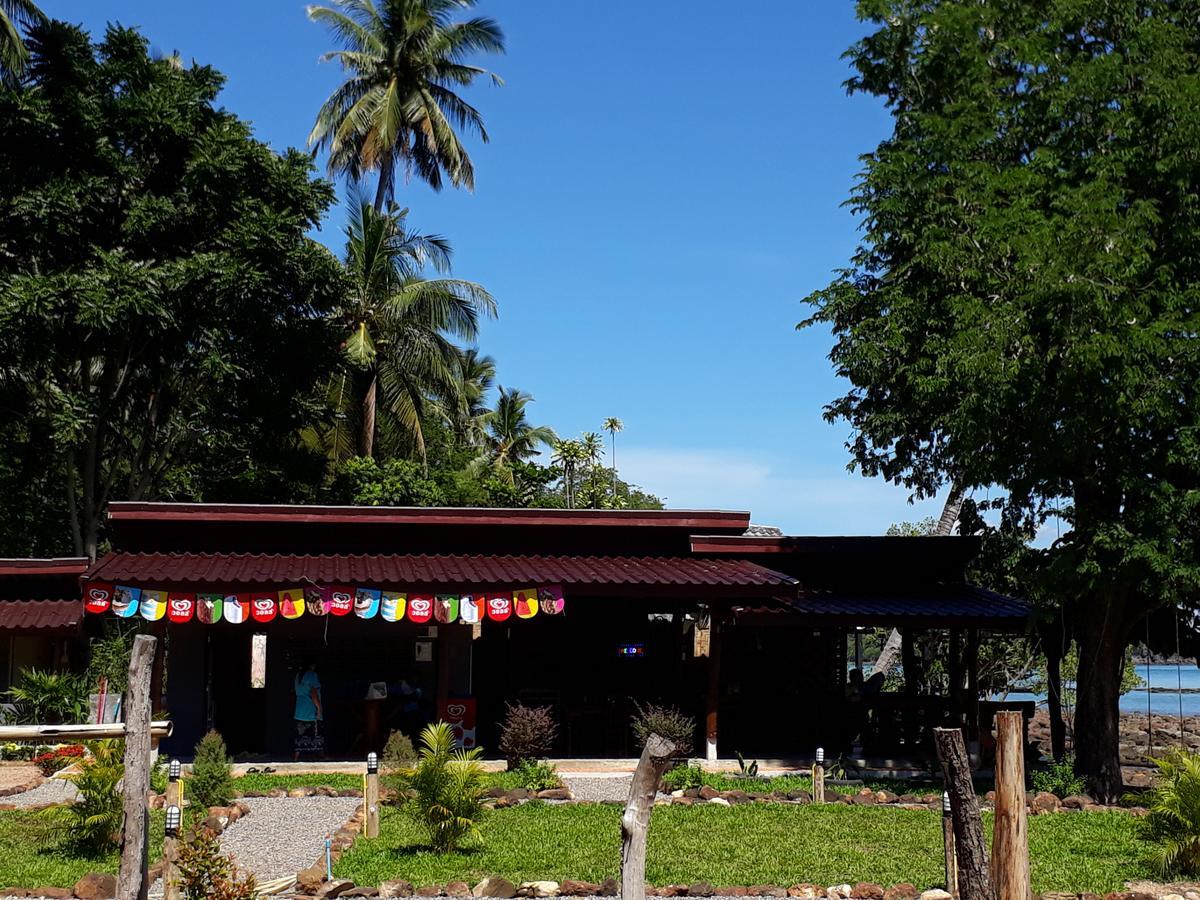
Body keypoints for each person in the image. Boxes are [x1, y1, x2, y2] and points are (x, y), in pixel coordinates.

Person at [294, 659, 324, 761]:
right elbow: (314, 693)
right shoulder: (312, 675)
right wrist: (319, 708)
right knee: (316, 735)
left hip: (299, 711)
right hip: (310, 711)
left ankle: (296, 758)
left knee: (300, 735)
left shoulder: (298, 676)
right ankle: (319, 757)